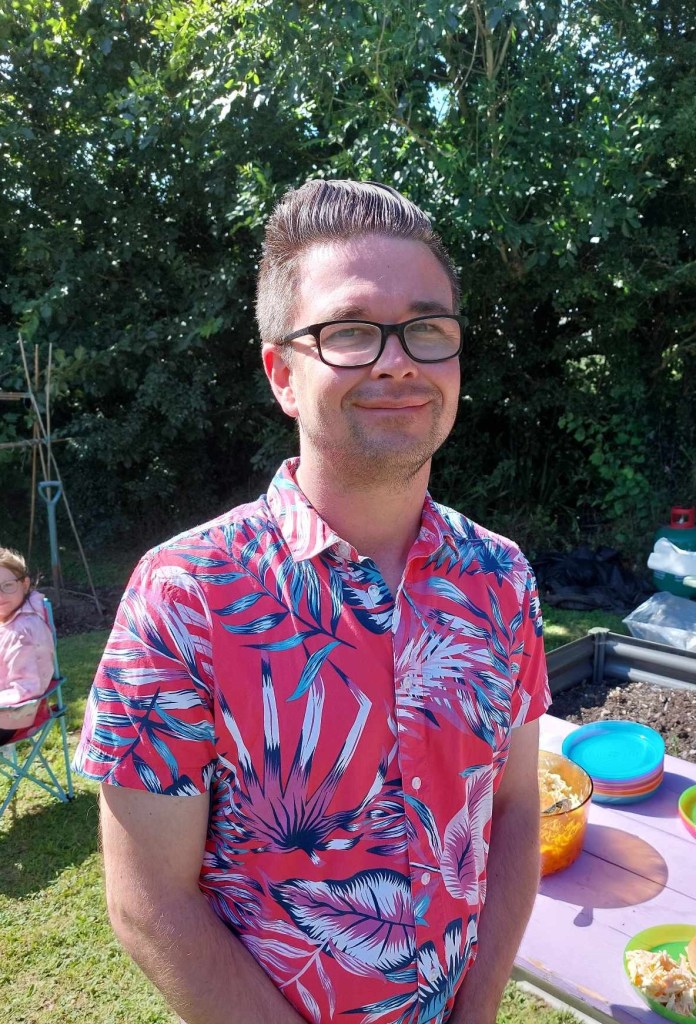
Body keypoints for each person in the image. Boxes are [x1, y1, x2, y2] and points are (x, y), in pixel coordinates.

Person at [74, 179, 550, 1024]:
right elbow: (149, 901)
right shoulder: (186, 597)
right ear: (282, 375)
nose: (398, 360)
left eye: (428, 328)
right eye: (351, 331)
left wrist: (477, 1010)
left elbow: (513, 808)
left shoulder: (501, 578)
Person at [0, 547, 55, 742]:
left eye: (7, 586)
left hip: (12, 718)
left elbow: (26, 689)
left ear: (24, 584)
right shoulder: (9, 618)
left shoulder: (22, 631)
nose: (0, 595)